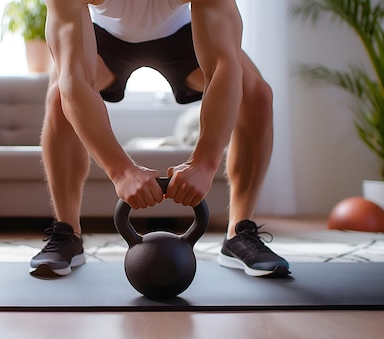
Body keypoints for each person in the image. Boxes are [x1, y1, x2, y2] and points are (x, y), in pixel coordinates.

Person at [30, 0, 290, 278]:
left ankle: (240, 232)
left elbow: (224, 68)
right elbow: (76, 80)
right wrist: (121, 172)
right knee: (59, 97)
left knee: (257, 94)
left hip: (185, 36)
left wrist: (204, 163)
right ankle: (67, 232)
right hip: (102, 39)